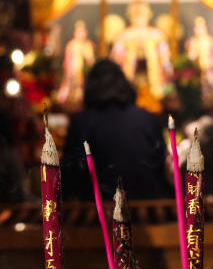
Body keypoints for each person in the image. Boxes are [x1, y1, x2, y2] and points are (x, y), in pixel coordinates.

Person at [61, 59, 172, 200]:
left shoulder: (81, 123)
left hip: (99, 212)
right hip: (148, 206)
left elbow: (69, 178)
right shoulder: (149, 118)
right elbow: (161, 169)